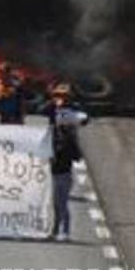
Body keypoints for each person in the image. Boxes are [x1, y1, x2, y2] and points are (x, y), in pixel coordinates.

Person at [48, 84, 84, 241]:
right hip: (55, 171)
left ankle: (65, 232)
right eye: (58, 96)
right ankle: (55, 231)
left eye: (62, 97)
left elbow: (84, 118)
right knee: (56, 204)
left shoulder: (69, 134)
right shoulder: (55, 134)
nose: (59, 99)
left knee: (61, 203)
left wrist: (69, 116)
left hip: (64, 172)